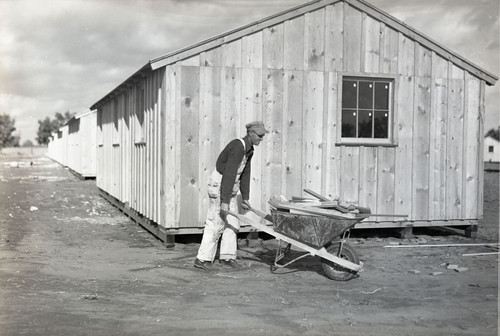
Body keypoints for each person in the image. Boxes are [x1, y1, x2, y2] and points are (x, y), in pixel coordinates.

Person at [194, 121, 269, 270]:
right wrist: (224, 201)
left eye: (263, 136)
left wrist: (245, 197)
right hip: (220, 186)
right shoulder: (237, 146)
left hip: (230, 187)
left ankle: (227, 257)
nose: (261, 138)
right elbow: (228, 174)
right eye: (260, 135)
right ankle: (202, 259)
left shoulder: (249, 150)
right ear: (251, 133)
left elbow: (245, 174)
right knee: (216, 223)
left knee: (233, 223)